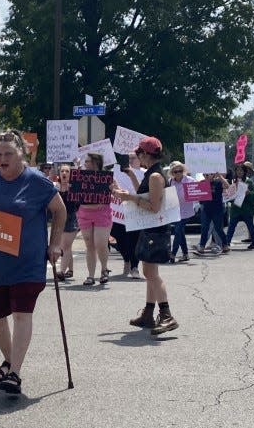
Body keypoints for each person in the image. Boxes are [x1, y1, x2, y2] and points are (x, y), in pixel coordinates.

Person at [0, 129, 66, 397]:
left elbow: (60, 211)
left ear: (21, 154)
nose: (3, 159)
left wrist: (55, 243)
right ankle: (9, 359)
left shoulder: (37, 181)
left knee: (22, 314)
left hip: (27, 262)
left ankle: (15, 372)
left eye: (9, 154)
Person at [112, 136, 178, 334]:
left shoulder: (156, 177)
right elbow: (144, 195)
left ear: (147, 154)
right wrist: (130, 185)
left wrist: (128, 197)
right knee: (150, 273)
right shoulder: (151, 174)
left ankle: (166, 315)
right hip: (150, 230)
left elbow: (154, 207)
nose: (137, 156)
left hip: (155, 231)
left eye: (139, 153)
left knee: (151, 274)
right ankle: (149, 313)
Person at [73, 152, 113, 285]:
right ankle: (90, 275)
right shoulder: (80, 176)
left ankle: (104, 269)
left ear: (95, 162)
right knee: (89, 244)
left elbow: (117, 191)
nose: (85, 164)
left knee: (100, 243)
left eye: (88, 161)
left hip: (102, 213)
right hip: (84, 213)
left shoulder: (106, 177)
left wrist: (114, 189)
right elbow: (73, 191)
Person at [225, 162, 254, 250]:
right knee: (231, 227)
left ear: (245, 172)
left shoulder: (249, 182)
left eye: (241, 170)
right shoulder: (234, 182)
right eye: (238, 170)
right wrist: (229, 195)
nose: (239, 172)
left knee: (250, 226)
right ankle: (226, 243)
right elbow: (230, 196)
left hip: (246, 209)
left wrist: (249, 193)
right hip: (236, 209)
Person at [56, 164, 80, 282]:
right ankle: (70, 269)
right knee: (66, 246)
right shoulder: (55, 188)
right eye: (62, 171)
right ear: (59, 173)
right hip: (59, 219)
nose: (64, 173)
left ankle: (61, 271)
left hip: (72, 219)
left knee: (65, 246)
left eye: (67, 171)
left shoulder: (75, 187)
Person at [195, 173, 227, 255]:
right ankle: (202, 246)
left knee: (218, 228)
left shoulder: (218, 182)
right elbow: (196, 193)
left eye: (210, 174)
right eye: (206, 174)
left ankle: (225, 244)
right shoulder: (202, 183)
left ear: (213, 175)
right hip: (206, 209)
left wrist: (219, 176)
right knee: (204, 228)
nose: (207, 176)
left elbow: (227, 186)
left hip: (217, 209)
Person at [167, 161, 192, 261]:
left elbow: (197, 191)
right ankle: (185, 254)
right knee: (180, 232)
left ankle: (173, 254)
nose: (178, 173)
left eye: (180, 171)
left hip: (187, 211)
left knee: (178, 231)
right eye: (175, 171)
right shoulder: (170, 182)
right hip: (175, 212)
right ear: (172, 173)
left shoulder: (190, 180)